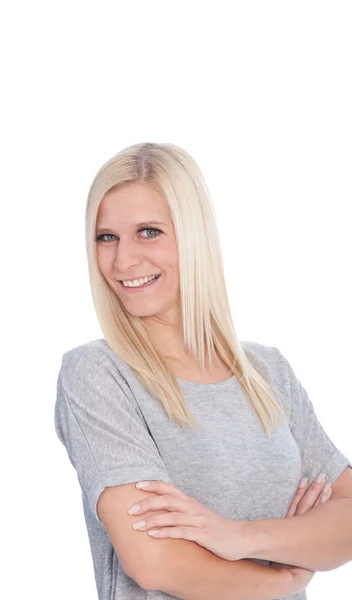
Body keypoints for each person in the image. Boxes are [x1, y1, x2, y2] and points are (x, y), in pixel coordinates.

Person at [54, 142, 351, 599]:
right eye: (106, 237)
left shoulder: (266, 373)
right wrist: (283, 579)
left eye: (148, 232)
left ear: (194, 235)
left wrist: (243, 537)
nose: (123, 261)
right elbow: (154, 563)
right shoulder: (98, 374)